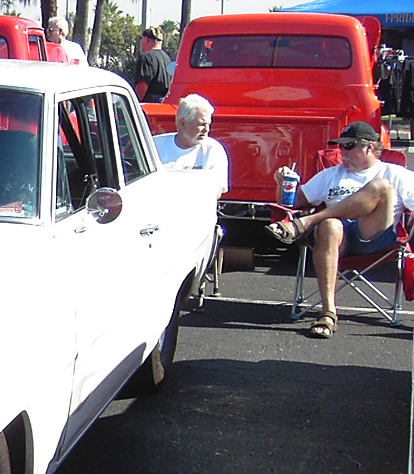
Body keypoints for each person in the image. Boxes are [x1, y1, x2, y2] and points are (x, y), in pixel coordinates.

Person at [265, 120, 414, 339]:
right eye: (341, 146)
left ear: (369, 146)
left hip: (376, 238)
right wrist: (282, 184)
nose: (342, 152)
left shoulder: (395, 173)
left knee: (381, 186)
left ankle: (308, 221)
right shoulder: (331, 174)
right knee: (329, 224)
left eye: (349, 146)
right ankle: (328, 313)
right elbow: (291, 204)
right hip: (337, 240)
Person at [153, 93, 230, 195]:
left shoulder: (214, 150)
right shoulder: (154, 146)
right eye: (201, 124)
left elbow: (217, 190)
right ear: (183, 123)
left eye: (208, 124)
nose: (207, 130)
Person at [133, 26, 172, 103]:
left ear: (146, 39)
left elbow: (143, 85)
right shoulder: (168, 59)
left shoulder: (146, 57)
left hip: (149, 102)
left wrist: (135, 102)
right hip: (165, 102)